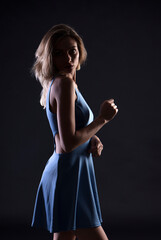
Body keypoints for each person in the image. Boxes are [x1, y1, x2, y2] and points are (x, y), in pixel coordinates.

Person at [31, 23, 118, 240]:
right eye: (59, 54)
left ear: (80, 53)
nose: (68, 58)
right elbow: (67, 143)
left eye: (73, 51)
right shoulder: (64, 84)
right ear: (50, 58)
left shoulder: (62, 84)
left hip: (71, 173)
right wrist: (102, 119)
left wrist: (92, 138)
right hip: (68, 175)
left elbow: (66, 133)